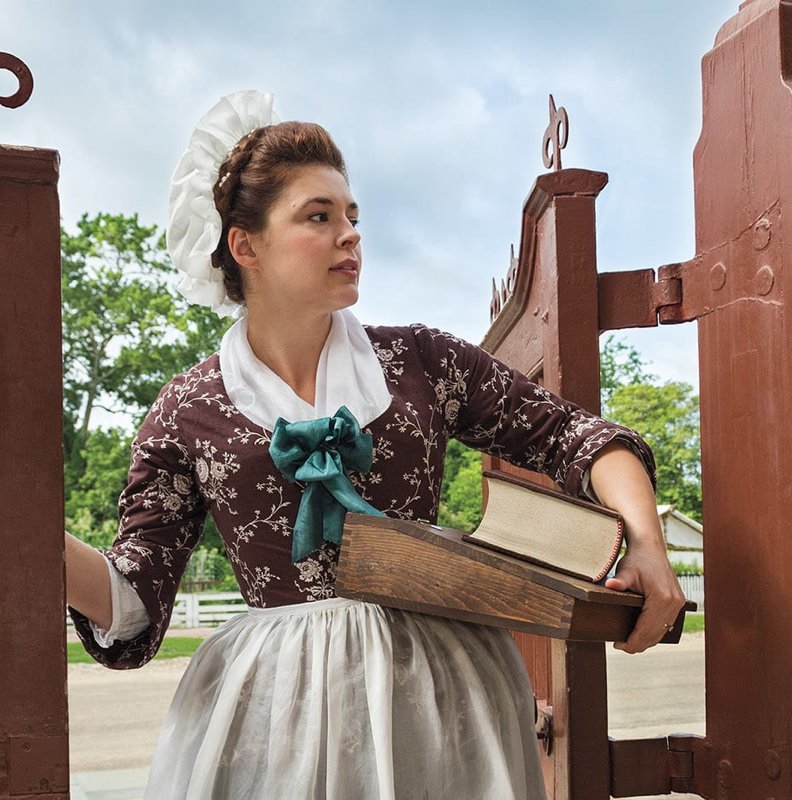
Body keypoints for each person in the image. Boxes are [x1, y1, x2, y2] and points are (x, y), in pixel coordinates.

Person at [65, 90, 685, 799]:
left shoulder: (422, 361)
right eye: (318, 217)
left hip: (442, 697)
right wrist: (25, 534)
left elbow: (578, 437)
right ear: (246, 246)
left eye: (352, 216)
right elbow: (131, 603)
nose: (350, 235)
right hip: (272, 717)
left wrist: (645, 540)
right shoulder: (188, 406)